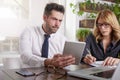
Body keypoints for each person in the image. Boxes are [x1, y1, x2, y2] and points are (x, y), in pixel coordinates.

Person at [19, 3, 75, 68]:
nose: (57, 24)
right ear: (44, 18)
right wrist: (49, 62)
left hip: (53, 75)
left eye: (60, 21)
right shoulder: (28, 32)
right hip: (30, 74)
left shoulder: (63, 40)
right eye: (54, 19)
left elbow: (65, 64)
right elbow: (25, 56)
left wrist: (61, 61)